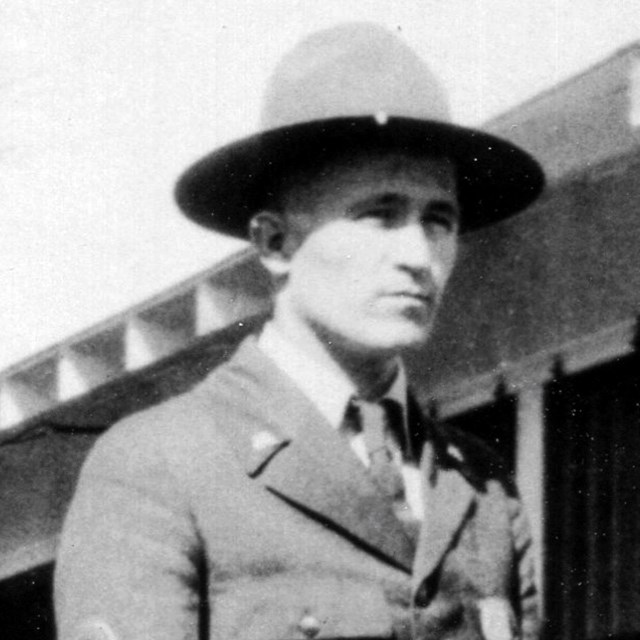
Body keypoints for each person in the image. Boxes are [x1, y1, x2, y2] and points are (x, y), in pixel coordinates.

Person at [55, 22, 545, 640]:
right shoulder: (162, 465)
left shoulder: (482, 489)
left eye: (438, 220)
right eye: (380, 216)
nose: (419, 254)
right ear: (276, 243)